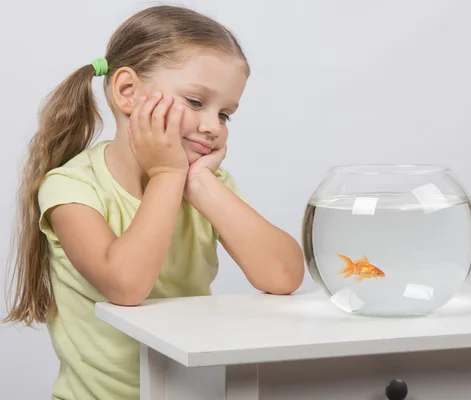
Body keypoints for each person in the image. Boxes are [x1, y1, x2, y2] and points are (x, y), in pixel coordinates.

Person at [2, 4, 305, 399]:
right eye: (196, 103)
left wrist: (198, 184)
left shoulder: (207, 185)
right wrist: (167, 175)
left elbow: (283, 275)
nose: (213, 126)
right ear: (127, 91)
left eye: (226, 114)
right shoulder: (72, 187)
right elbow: (126, 287)